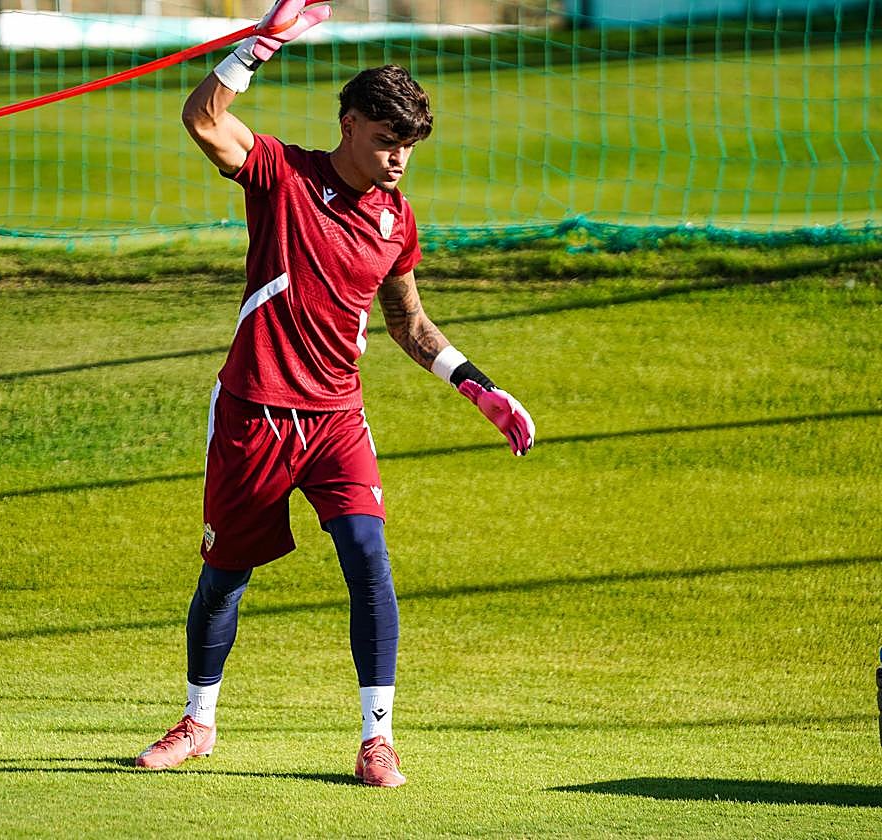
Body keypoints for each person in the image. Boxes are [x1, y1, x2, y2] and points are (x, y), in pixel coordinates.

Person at [135, 0, 535, 787]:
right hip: (254, 413)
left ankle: (376, 739)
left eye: (410, 148)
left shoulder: (396, 220)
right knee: (226, 577)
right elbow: (202, 119)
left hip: (335, 420)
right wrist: (264, 43)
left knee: (368, 558)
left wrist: (478, 387)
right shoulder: (283, 175)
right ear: (349, 124)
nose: (397, 160)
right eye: (387, 141)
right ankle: (198, 721)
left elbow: (409, 324)